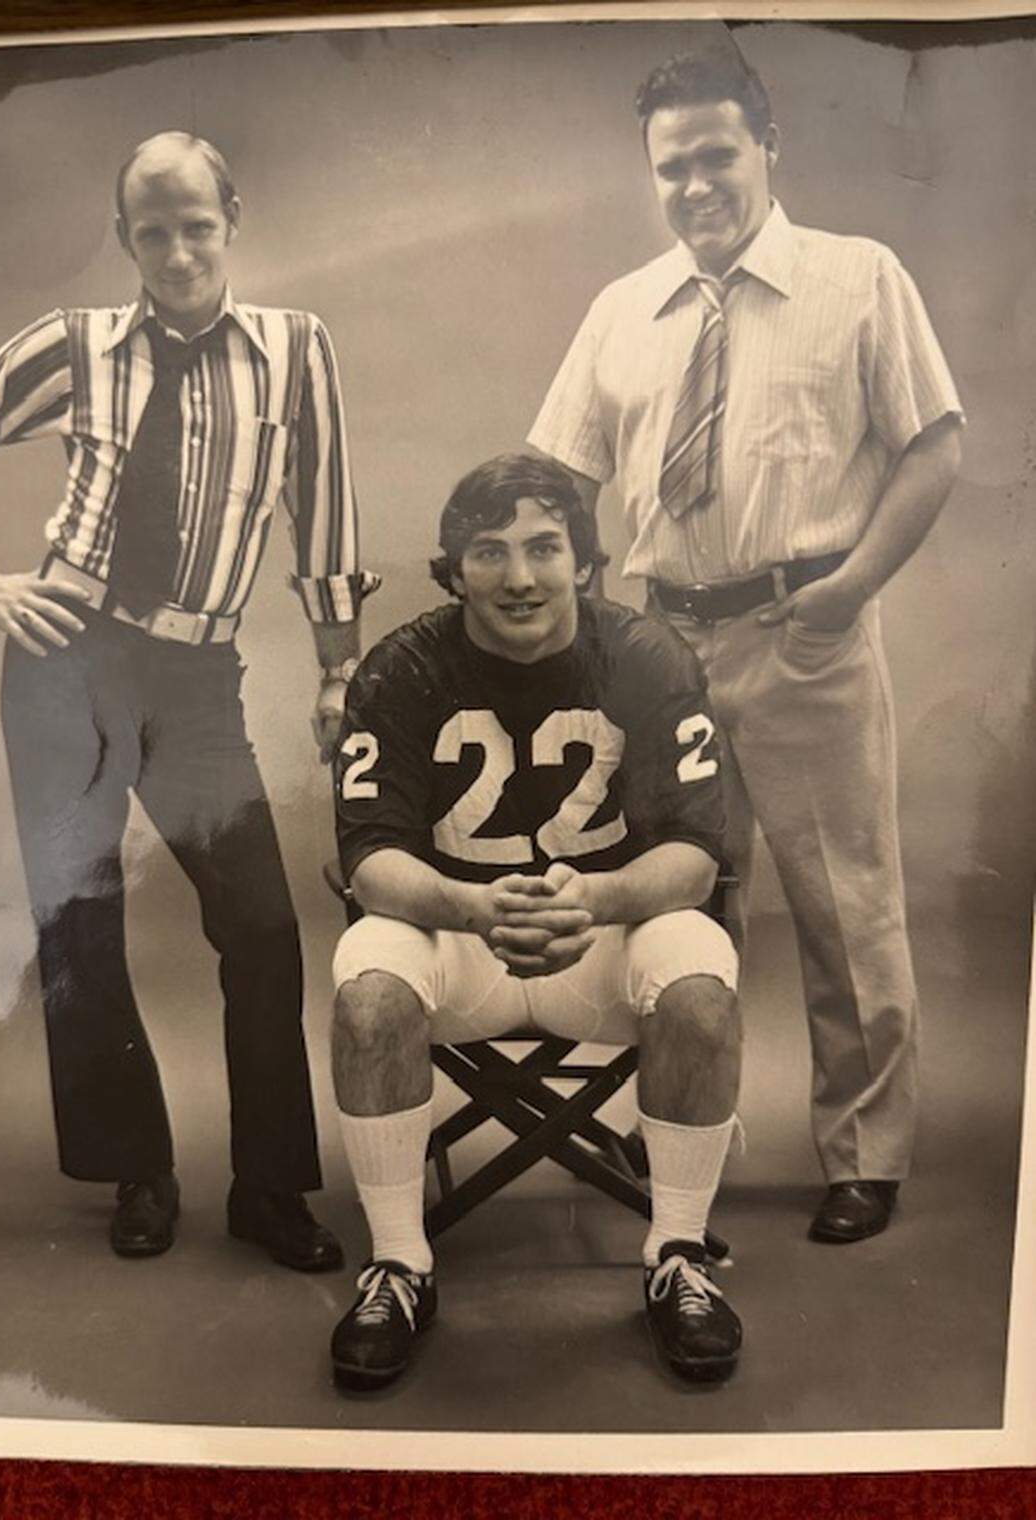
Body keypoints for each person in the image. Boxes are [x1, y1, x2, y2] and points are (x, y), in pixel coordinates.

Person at [0, 130, 378, 1271]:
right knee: (82, 920)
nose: (176, 251)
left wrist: (335, 665)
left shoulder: (296, 350)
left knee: (261, 927)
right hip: (67, 664)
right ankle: (138, 1171)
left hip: (196, 678)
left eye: (195, 225)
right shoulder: (72, 345)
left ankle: (268, 1187)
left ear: (233, 217)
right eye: (152, 231)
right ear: (125, 237)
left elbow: (325, 522)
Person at [528, 49, 964, 1244]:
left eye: (717, 155)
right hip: (660, 649)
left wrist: (853, 586)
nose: (695, 184)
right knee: (672, 903)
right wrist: (592, 629)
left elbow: (933, 446)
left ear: (771, 148)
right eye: (672, 167)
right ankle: (681, 1134)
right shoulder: (624, 307)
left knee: (847, 903)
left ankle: (864, 1155)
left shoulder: (859, 279)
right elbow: (560, 477)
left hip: (805, 634)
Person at [328, 452, 742, 1389]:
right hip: (458, 940)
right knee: (369, 987)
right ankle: (399, 1262)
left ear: (584, 561)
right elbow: (370, 857)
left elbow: (694, 856)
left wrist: (594, 899)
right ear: (454, 567)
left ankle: (679, 1255)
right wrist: (470, 906)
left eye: (545, 547)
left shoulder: (643, 656)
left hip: (604, 943)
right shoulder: (403, 665)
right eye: (490, 551)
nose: (519, 577)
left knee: (700, 981)